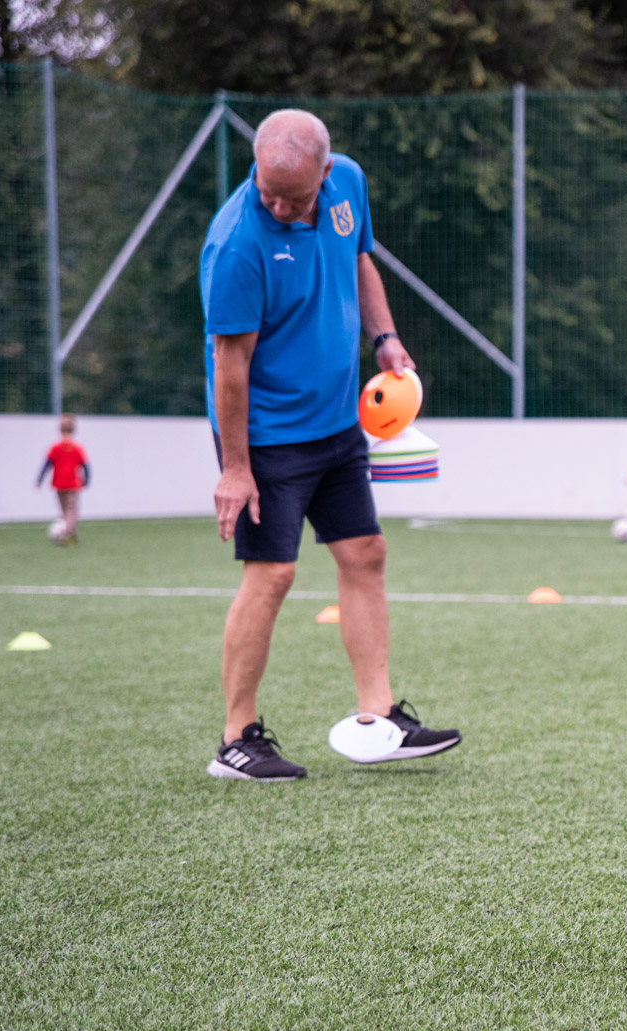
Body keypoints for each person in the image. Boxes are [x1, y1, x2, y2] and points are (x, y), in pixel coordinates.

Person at [200, 108, 460, 781]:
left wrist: (385, 338)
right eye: (267, 190)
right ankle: (236, 738)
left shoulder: (347, 184)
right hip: (268, 438)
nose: (279, 204)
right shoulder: (238, 244)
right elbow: (229, 367)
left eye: (295, 194)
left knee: (364, 553)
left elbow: (359, 262)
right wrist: (235, 469)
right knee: (273, 574)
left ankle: (379, 718)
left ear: (324, 169)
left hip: (338, 423)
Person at [35, 413, 89, 544]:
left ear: (60, 429)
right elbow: (86, 466)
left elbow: (46, 464)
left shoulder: (55, 447)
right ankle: (67, 534)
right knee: (72, 512)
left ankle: (71, 535)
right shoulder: (77, 448)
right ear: (74, 429)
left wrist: (40, 480)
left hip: (59, 484)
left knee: (65, 512)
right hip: (73, 484)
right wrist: (87, 480)